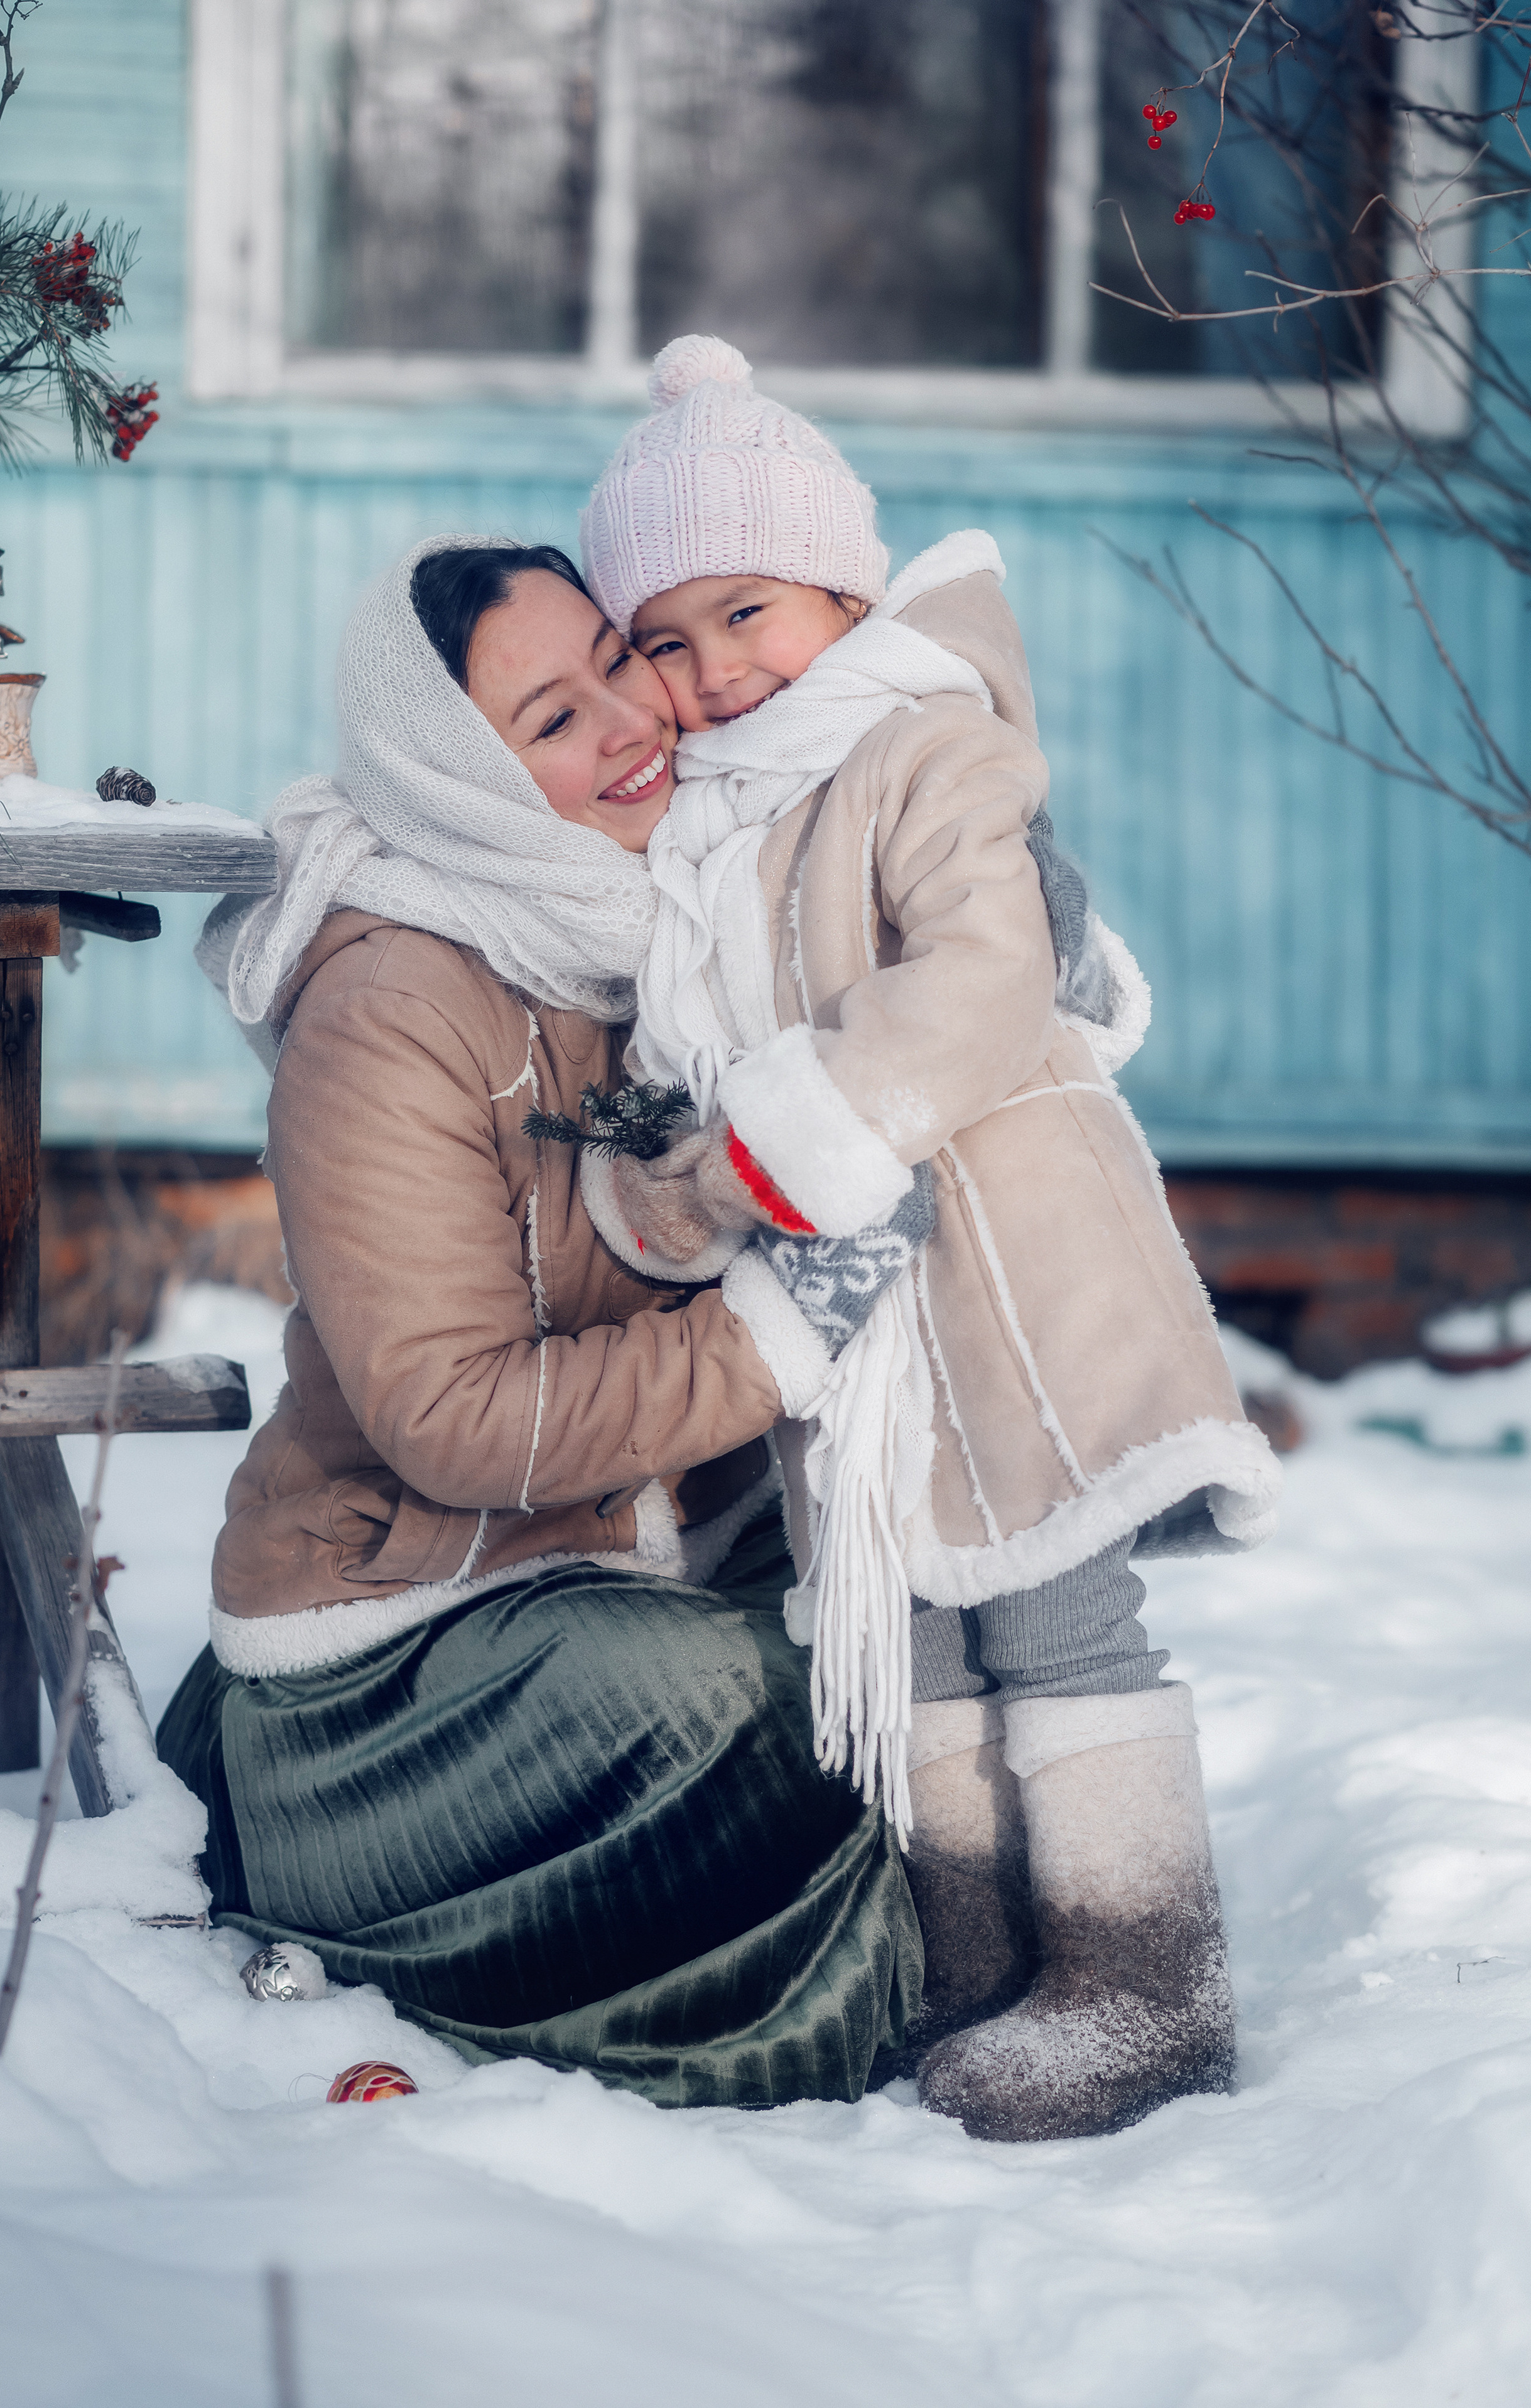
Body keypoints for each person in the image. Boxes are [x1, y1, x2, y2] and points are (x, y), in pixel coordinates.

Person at [573, 335, 1284, 2142]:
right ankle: (976, 1968)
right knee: (908, 1634)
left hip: (1006, 1265)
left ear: (841, 589)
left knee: (1051, 1602)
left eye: (749, 613)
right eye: (666, 638)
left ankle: (1145, 1980)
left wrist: (779, 1135)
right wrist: (674, 1167)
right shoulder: (713, 826)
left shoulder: (922, 743)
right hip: (858, 1325)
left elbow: (984, 974)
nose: (714, 667)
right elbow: (685, 1061)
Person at [160, 532, 923, 2107]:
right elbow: (448, 1415)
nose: (633, 720)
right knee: (760, 1704)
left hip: (632, 1566)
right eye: (553, 720)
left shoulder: (672, 923)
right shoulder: (393, 1006)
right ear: (456, 779)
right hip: (391, 1668)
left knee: (908, 1631)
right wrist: (776, 1333)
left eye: (617, 663)